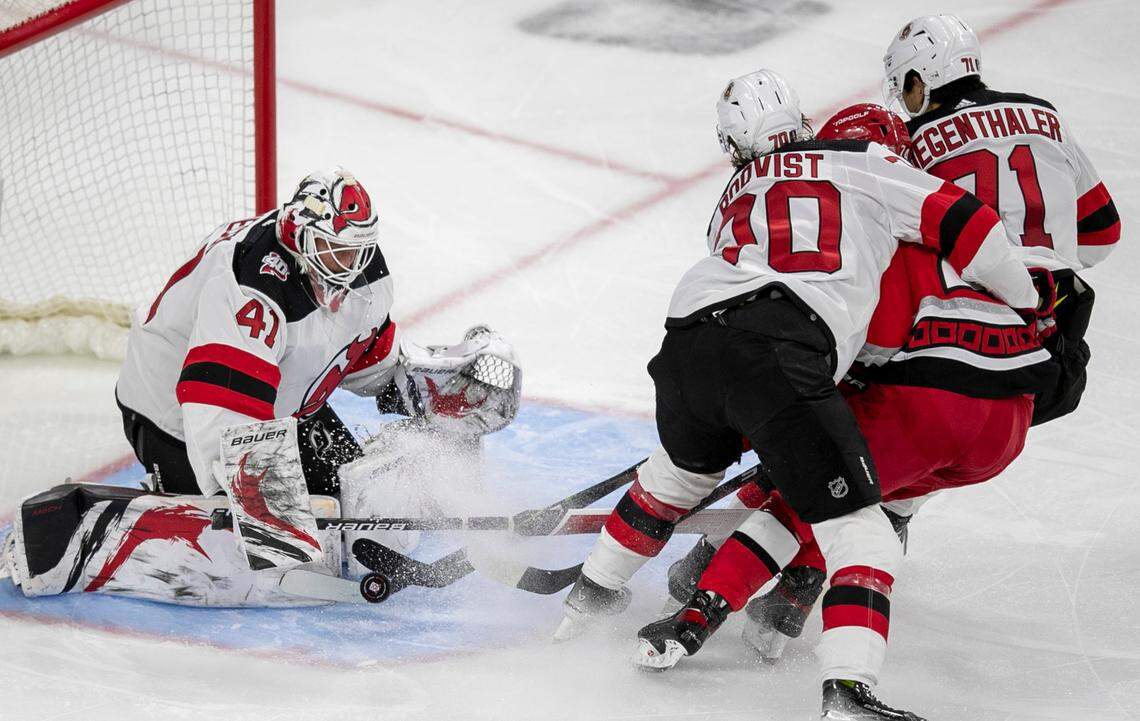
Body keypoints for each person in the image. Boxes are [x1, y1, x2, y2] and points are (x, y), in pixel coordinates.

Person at [556, 71, 1038, 720]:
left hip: (688, 340)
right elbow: (967, 224)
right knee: (859, 515)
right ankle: (841, 684)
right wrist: (1030, 307)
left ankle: (586, 603)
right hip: (799, 354)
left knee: (675, 477)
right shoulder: (870, 166)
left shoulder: (735, 189)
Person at [659, 105, 1060, 678]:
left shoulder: (872, 235)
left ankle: (704, 602)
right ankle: (789, 605)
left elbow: (864, 347)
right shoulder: (943, 216)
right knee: (881, 498)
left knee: (813, 491)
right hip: (1007, 421)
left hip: (926, 404)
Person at [4, 168, 521, 607]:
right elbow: (220, 406)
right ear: (299, 232)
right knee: (270, 552)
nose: (345, 267)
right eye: (332, 251)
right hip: (173, 413)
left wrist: (428, 390)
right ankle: (113, 517)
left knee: (348, 505)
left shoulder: (362, 273)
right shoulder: (253, 279)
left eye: (354, 252)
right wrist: (255, 504)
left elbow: (359, 357)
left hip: (280, 401)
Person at [883, 13, 1120, 424]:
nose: (905, 96)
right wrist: (1046, 255)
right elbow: (1103, 232)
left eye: (907, 82)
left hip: (971, 336)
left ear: (923, 77)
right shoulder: (1046, 116)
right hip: (1060, 327)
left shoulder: (915, 142)